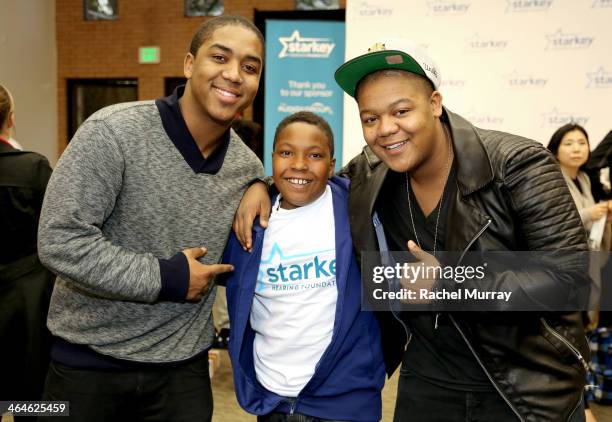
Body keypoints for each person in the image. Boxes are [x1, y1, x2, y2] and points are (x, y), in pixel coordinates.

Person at [235, 40, 591, 422]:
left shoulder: (517, 165)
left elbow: (574, 280)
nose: (386, 129)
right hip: (427, 379)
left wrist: (451, 283)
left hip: (524, 385)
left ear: (435, 104)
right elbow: (307, 178)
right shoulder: (371, 175)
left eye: (401, 111)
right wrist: (261, 185)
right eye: (370, 118)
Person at [37, 15, 265, 422]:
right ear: (189, 64)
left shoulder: (246, 168)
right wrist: (167, 277)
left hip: (183, 374)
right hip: (87, 367)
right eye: (220, 58)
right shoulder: (113, 132)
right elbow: (59, 239)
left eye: (250, 67)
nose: (234, 75)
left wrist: (264, 184)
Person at [222, 111, 385, 422]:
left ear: (332, 164)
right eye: (286, 153)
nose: (299, 164)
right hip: (272, 400)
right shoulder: (250, 220)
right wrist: (259, 184)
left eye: (314, 155)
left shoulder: (356, 208)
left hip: (345, 401)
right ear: (271, 158)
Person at [0, 84, 54, 420]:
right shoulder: (32, 169)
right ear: (11, 120)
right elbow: (60, 236)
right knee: (32, 402)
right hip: (28, 306)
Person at [547, 123, 611, 320]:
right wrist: (588, 214)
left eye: (582, 143)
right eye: (568, 143)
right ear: (555, 150)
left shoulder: (585, 178)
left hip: (587, 260)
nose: (576, 148)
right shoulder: (550, 178)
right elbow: (553, 222)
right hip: (562, 263)